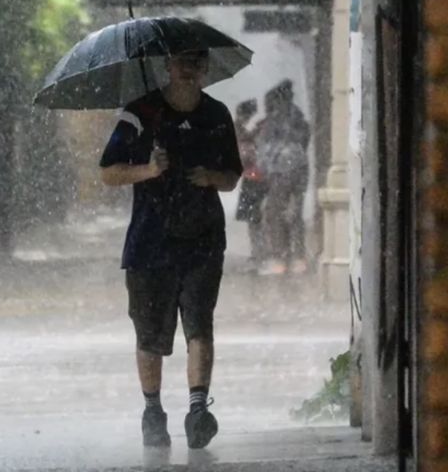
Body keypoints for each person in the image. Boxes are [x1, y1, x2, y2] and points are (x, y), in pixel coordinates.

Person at [99, 49, 243, 450]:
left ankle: (198, 411)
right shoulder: (139, 114)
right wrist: (148, 169)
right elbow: (108, 172)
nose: (189, 68)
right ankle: (153, 411)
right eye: (182, 60)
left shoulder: (217, 116)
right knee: (150, 333)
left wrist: (209, 176)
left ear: (205, 67)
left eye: (196, 61)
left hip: (203, 239)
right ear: (167, 65)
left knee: (200, 323)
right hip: (150, 242)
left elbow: (232, 176)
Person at [256, 81, 311, 274]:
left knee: (274, 213)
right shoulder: (299, 119)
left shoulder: (274, 121)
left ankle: (280, 257)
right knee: (295, 213)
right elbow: (304, 142)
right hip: (300, 169)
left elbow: (266, 149)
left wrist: (264, 169)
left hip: (280, 171)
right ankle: (299, 257)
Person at [232, 99, 269, 266]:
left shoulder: (240, 130)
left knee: (255, 219)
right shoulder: (239, 130)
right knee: (255, 219)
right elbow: (245, 153)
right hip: (254, 177)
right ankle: (258, 253)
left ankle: (258, 253)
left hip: (253, 178)